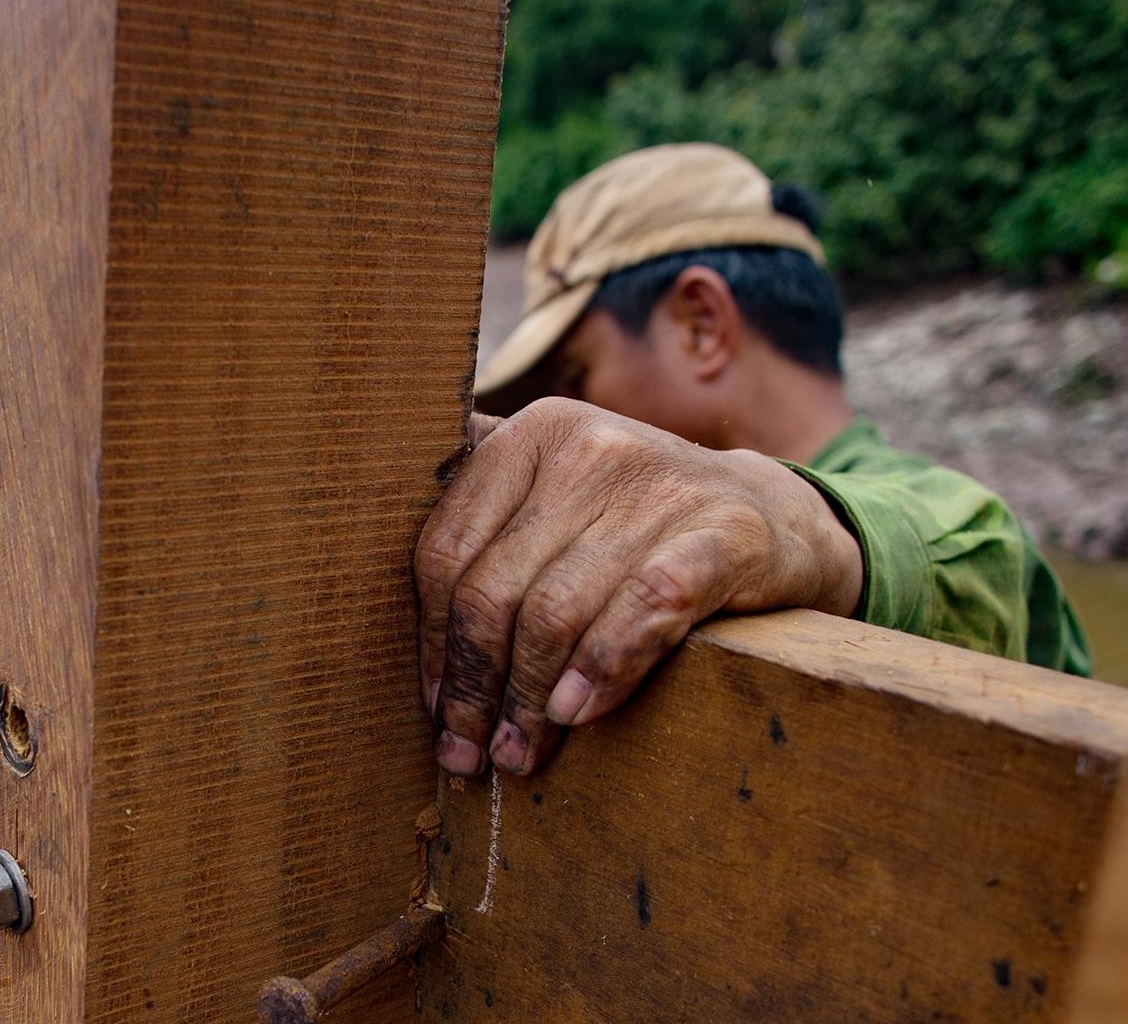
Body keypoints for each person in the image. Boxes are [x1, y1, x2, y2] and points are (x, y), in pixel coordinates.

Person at [418, 143, 1091, 779]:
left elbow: (974, 551)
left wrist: (789, 522)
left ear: (701, 325)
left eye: (576, 375)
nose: (564, 423)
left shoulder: (949, 515)